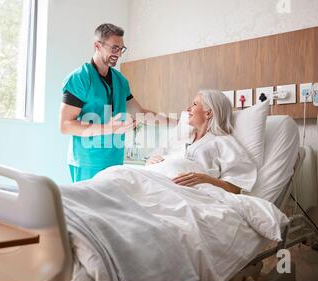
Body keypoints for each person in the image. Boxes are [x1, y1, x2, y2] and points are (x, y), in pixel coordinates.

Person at [60, 23, 174, 182]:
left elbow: (140, 112)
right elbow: (66, 125)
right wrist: (109, 128)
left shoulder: (121, 80)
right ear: (97, 46)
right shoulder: (80, 78)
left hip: (115, 162)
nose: (119, 54)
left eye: (121, 49)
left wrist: (178, 122)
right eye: (114, 48)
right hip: (88, 162)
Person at [146, 90, 257, 194]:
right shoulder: (181, 138)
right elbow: (161, 157)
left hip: (189, 193)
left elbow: (237, 187)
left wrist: (207, 179)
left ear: (209, 113)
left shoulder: (223, 142)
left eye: (194, 104)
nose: (188, 109)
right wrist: (152, 162)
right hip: (158, 185)